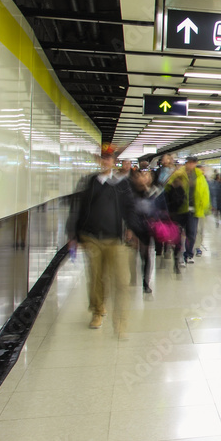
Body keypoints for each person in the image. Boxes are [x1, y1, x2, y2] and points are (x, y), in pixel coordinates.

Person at [66, 144, 136, 337]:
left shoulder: (121, 184)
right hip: (91, 237)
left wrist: (130, 227)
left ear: (114, 162)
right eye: (103, 159)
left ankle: (115, 316)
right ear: (99, 161)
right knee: (96, 276)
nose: (105, 162)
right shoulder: (89, 182)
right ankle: (98, 310)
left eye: (109, 159)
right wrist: (73, 234)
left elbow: (129, 207)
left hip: (113, 238)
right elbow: (76, 208)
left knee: (116, 278)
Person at [164, 156, 209, 272]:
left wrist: (205, 206)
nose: (192, 165)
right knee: (179, 235)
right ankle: (179, 257)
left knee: (192, 234)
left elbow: (205, 191)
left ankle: (188, 254)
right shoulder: (179, 174)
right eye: (190, 163)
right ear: (187, 163)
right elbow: (168, 188)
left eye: (194, 163)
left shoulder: (199, 176)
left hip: (194, 209)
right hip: (180, 209)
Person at [128, 169, 167, 294]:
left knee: (146, 255)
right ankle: (133, 277)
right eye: (142, 176)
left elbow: (161, 208)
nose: (145, 178)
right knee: (133, 254)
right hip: (134, 227)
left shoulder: (156, 191)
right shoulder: (131, 192)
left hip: (148, 227)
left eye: (147, 176)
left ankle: (146, 282)